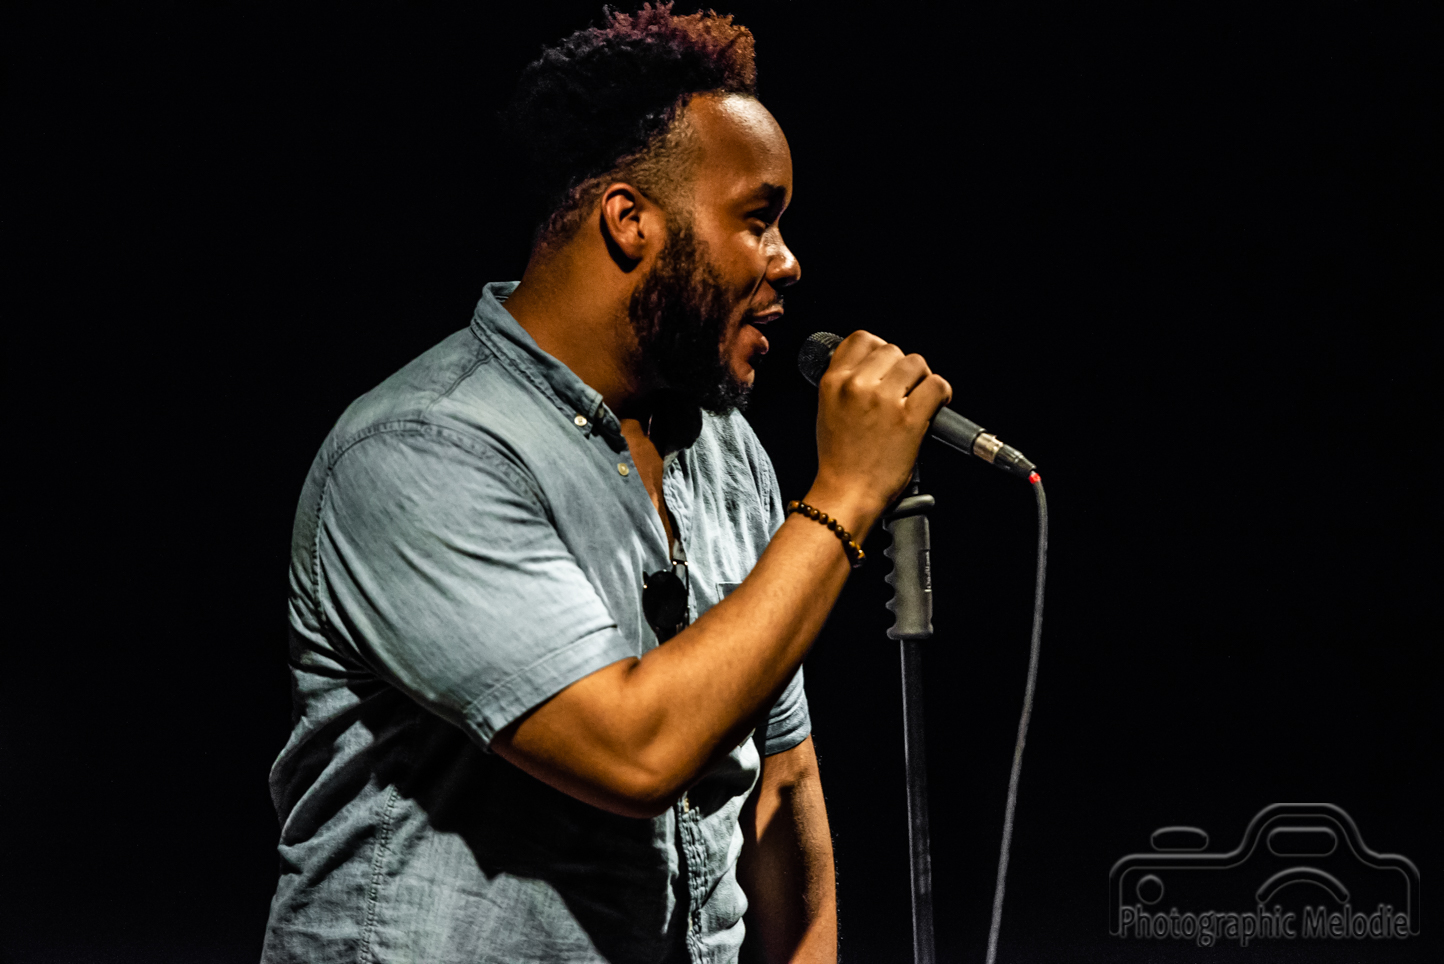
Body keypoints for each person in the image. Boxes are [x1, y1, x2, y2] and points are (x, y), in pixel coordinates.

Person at [261, 6, 950, 963]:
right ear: (630, 221)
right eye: (758, 219)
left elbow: (781, 785)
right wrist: (847, 494)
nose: (788, 261)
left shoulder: (726, 451)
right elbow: (635, 751)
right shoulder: (421, 451)